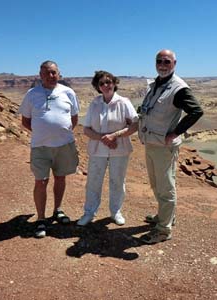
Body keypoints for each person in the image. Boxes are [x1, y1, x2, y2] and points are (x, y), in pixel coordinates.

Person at [138, 49, 204, 244]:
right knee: (156, 184)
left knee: (166, 187)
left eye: (167, 61)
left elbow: (196, 111)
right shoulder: (157, 84)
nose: (162, 64)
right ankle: (165, 216)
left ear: (174, 63)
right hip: (151, 142)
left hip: (163, 146)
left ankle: (163, 230)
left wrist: (176, 132)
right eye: (159, 61)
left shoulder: (178, 88)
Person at [19, 60, 80, 238]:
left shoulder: (68, 92)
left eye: (53, 72)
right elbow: (25, 121)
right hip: (40, 146)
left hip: (64, 145)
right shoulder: (32, 94)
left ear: (59, 74)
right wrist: (43, 132)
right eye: (46, 73)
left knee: (60, 178)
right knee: (41, 181)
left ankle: (57, 210)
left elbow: (74, 119)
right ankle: (40, 218)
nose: (50, 76)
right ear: (40, 75)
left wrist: (59, 132)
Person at [77, 71, 138, 226]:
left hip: (120, 149)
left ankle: (116, 212)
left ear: (114, 83)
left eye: (109, 82)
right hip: (98, 150)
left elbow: (135, 125)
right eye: (102, 83)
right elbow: (86, 129)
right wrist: (105, 139)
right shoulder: (95, 103)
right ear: (98, 87)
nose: (106, 85)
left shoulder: (124, 102)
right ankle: (89, 213)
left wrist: (115, 136)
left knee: (117, 181)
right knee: (93, 182)